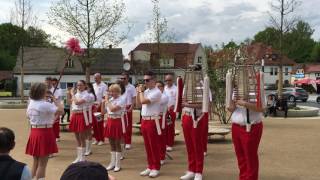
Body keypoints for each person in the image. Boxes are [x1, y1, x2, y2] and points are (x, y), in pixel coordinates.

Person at [25, 82, 64, 180]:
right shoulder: (45, 105)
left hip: (34, 131)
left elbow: (29, 117)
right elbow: (61, 110)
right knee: (42, 164)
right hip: (45, 132)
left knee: (36, 162)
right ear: (43, 92)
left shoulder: (31, 103)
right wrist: (55, 99)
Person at [227, 90, 264, 180]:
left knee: (250, 157)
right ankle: (243, 177)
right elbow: (230, 109)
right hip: (236, 126)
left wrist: (245, 103)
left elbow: (261, 108)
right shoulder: (235, 90)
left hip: (251, 126)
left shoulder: (257, 88)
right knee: (240, 156)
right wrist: (233, 102)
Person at [180, 76, 210, 180]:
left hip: (197, 118)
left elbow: (206, 105)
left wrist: (187, 104)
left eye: (195, 72)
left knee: (198, 146)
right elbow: (182, 102)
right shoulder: (186, 87)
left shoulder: (204, 86)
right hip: (187, 116)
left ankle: (198, 171)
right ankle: (191, 170)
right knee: (189, 146)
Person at [136, 71, 162, 178]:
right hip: (145, 120)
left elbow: (144, 101)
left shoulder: (157, 92)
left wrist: (141, 92)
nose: (145, 82)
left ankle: (156, 167)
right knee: (147, 145)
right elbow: (138, 104)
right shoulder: (145, 91)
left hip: (152, 120)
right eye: (144, 80)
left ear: (154, 80)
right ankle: (150, 166)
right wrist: (139, 92)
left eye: (147, 80)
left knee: (153, 145)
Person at [103, 84, 126, 172]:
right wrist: (104, 102)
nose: (112, 93)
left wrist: (106, 100)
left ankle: (117, 164)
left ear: (118, 92)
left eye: (114, 91)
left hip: (117, 121)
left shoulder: (122, 99)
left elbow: (113, 109)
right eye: (110, 91)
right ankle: (112, 163)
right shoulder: (110, 100)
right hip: (110, 121)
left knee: (117, 143)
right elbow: (104, 111)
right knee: (111, 143)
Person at [69, 80, 92, 163]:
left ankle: (82, 157)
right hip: (75, 115)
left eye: (81, 85)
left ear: (85, 85)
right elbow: (72, 104)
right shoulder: (76, 94)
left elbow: (78, 103)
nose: (79, 87)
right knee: (77, 138)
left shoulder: (87, 95)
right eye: (78, 85)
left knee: (82, 137)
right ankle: (78, 157)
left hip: (82, 116)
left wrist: (72, 94)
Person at [119, 72, 137, 150]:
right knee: (120, 125)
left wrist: (131, 107)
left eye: (124, 78)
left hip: (128, 107)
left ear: (128, 78)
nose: (123, 80)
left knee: (128, 126)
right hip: (120, 107)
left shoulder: (131, 87)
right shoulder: (119, 87)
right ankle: (121, 140)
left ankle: (128, 142)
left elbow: (134, 98)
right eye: (121, 78)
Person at [93, 73, 108, 145]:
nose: (95, 79)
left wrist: (99, 105)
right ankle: (96, 138)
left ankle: (101, 139)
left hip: (100, 107)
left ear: (100, 78)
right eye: (94, 78)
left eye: (97, 78)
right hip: (94, 106)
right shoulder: (93, 85)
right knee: (94, 124)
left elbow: (104, 97)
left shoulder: (104, 85)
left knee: (99, 123)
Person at [156, 81, 169, 165]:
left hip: (161, 118)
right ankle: (156, 156)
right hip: (153, 118)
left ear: (163, 87)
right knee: (154, 139)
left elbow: (154, 102)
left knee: (161, 138)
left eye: (159, 86)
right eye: (156, 86)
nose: (158, 88)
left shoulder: (164, 96)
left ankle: (161, 156)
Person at [164, 74, 177, 152]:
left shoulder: (176, 89)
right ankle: (165, 142)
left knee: (170, 127)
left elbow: (177, 100)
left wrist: (173, 106)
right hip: (164, 110)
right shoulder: (164, 88)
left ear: (172, 80)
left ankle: (170, 144)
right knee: (164, 127)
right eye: (166, 80)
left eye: (169, 80)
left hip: (171, 111)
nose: (168, 82)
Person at [84, 83, 98, 156]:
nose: (86, 89)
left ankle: (88, 149)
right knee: (84, 133)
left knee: (88, 132)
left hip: (88, 115)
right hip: (83, 114)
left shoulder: (91, 95)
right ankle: (86, 148)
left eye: (87, 88)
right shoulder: (85, 94)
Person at [51, 78, 63, 142]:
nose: (53, 84)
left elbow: (56, 98)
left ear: (57, 83)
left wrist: (51, 96)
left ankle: (57, 136)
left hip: (56, 107)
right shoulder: (50, 89)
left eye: (54, 83)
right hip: (50, 107)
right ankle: (52, 135)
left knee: (56, 123)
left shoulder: (59, 90)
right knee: (51, 122)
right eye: (52, 83)